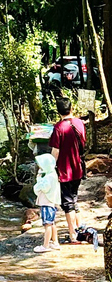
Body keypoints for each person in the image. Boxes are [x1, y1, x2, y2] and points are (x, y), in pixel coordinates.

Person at [49, 96, 86, 243]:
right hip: (77, 167)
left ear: (58, 111)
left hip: (65, 170)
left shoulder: (59, 127)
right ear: (71, 108)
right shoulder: (79, 123)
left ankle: (73, 235)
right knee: (74, 198)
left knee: (68, 203)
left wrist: (50, 168)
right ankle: (80, 229)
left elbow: (55, 151)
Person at [33, 153, 62, 253]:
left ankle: (46, 245)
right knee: (52, 223)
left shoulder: (49, 177)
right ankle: (55, 242)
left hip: (47, 203)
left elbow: (44, 188)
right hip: (50, 203)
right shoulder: (52, 174)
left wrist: (39, 179)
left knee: (47, 225)